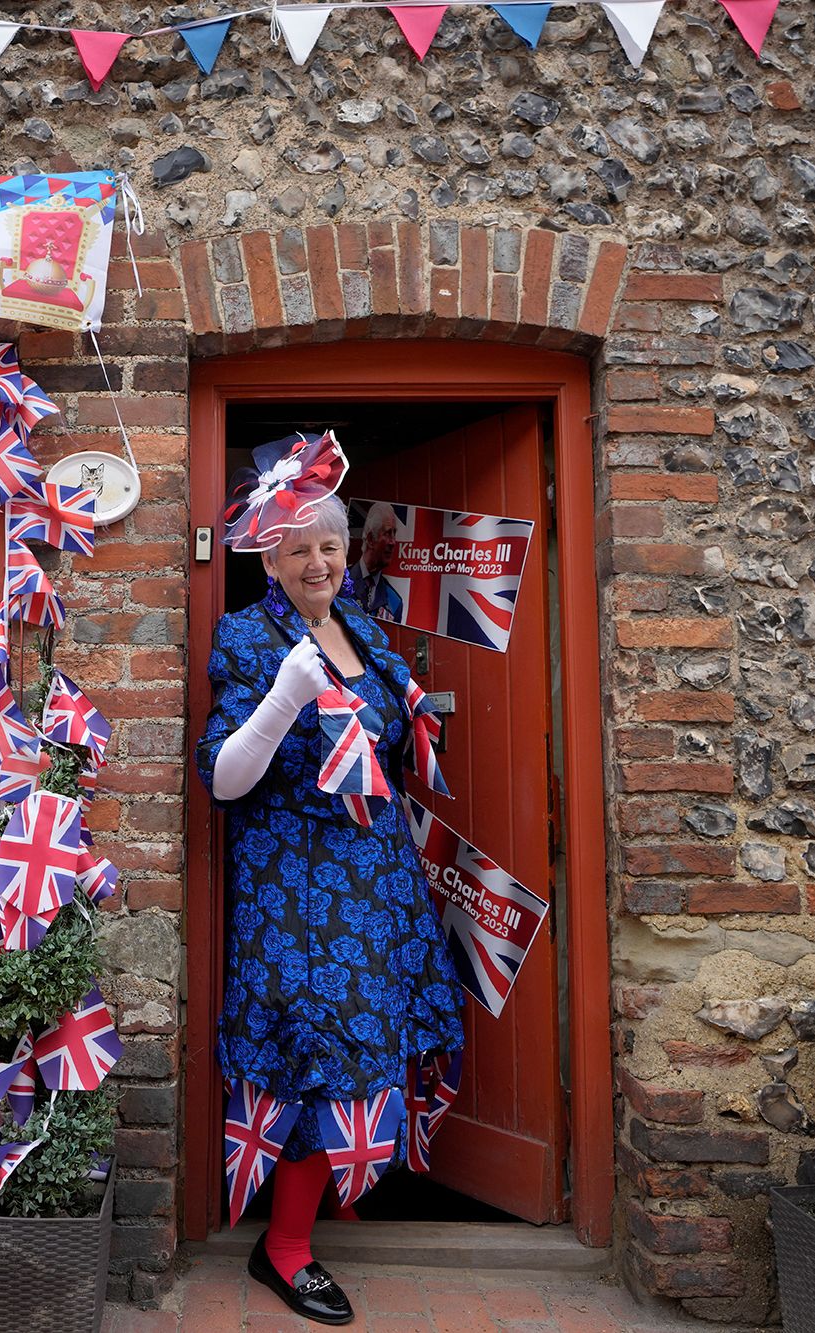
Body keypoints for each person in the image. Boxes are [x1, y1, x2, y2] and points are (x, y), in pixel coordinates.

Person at [198, 432, 466, 1327]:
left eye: (330, 545)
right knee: (315, 1058)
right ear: (270, 557)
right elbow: (224, 779)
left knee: (369, 1046)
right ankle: (284, 1248)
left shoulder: (365, 633)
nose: (317, 560)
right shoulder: (245, 638)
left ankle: (336, 1190)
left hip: (377, 888)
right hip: (297, 894)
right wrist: (281, 698)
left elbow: (386, 743)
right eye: (299, 546)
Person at [351, 502, 404, 622]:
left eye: (394, 534)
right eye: (387, 533)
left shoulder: (394, 601)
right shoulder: (338, 582)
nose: (393, 542)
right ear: (370, 539)